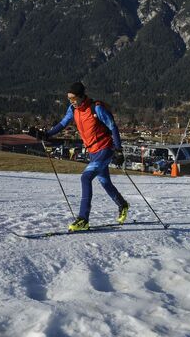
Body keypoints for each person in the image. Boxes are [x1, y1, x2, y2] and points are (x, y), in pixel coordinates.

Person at [45, 82, 128, 231]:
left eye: (73, 98)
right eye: (69, 99)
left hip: (105, 148)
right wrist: (46, 134)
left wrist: (118, 150)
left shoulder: (96, 108)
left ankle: (83, 219)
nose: (71, 102)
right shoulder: (73, 109)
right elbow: (63, 123)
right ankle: (123, 204)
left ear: (82, 96)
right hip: (93, 151)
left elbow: (112, 126)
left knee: (85, 177)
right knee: (104, 182)